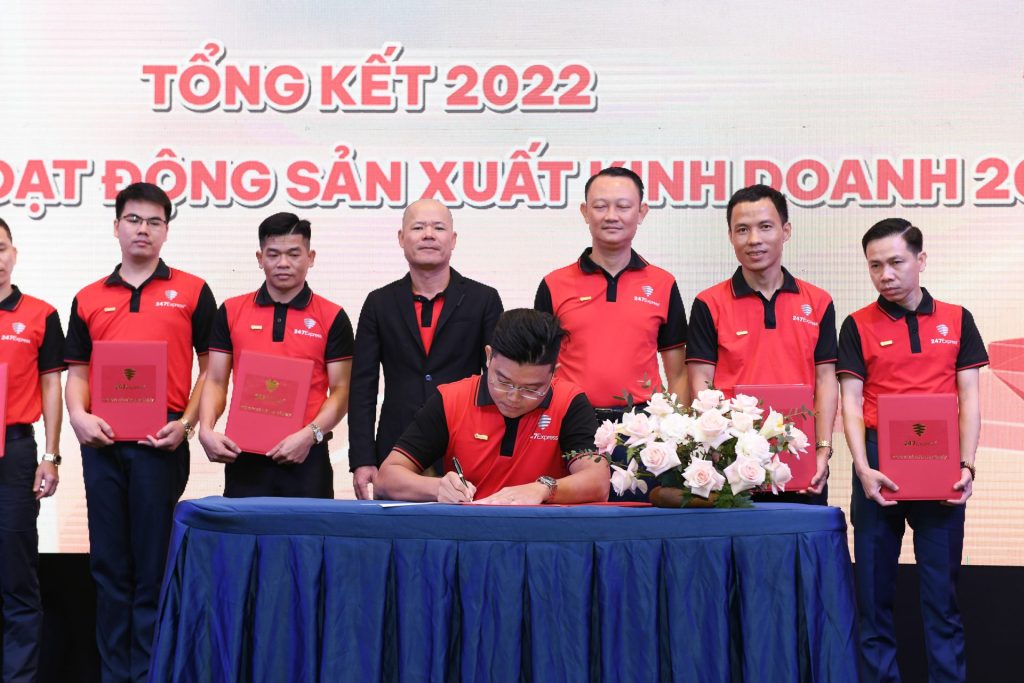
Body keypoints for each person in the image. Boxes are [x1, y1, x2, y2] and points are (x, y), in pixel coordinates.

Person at [64, 183, 216, 682]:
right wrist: (78, 417)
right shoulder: (88, 297)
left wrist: (187, 424)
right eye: (133, 220)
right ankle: (115, 674)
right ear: (116, 227)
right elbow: (77, 374)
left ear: (166, 230)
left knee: (153, 567)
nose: (143, 230)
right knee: (109, 566)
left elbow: (211, 370)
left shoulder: (192, 291)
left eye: (154, 221)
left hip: (161, 441)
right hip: (102, 442)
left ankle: (151, 673)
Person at [838, 218, 986, 682]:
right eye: (875, 265)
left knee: (942, 599)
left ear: (920, 260)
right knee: (873, 596)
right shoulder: (856, 324)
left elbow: (970, 398)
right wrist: (862, 467)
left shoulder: (957, 319)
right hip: (878, 462)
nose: (885, 274)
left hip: (940, 464)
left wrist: (966, 465)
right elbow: (850, 401)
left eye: (896, 262)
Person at [535, 166, 687, 499]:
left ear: (641, 212)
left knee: (639, 517)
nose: (611, 216)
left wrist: (678, 431)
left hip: (642, 430)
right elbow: (538, 369)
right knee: (574, 516)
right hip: (573, 424)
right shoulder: (554, 284)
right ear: (584, 212)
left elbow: (678, 373)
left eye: (623, 206)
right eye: (600, 206)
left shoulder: (663, 284)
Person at [686, 184, 837, 503]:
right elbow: (701, 382)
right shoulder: (709, 303)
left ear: (786, 231)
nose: (754, 239)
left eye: (765, 227)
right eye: (742, 229)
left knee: (802, 536)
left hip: (800, 459)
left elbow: (825, 381)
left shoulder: (818, 302)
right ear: (730, 236)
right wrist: (715, 447)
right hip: (731, 464)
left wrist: (823, 449)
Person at [349, 199, 502, 498]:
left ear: (453, 239)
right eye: (418, 227)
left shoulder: (483, 299)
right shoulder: (379, 302)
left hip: (465, 444)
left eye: (439, 228)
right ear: (401, 238)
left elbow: (496, 379)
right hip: (396, 448)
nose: (428, 235)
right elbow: (362, 386)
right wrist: (363, 459)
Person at [375, 309, 609, 504]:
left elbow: (598, 481)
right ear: (488, 357)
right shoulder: (451, 399)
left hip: (542, 533)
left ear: (553, 373)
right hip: (468, 530)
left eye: (531, 389)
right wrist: (437, 488)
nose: (513, 397)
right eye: (503, 382)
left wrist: (543, 489)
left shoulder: (569, 402)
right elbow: (387, 478)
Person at [198, 212, 353, 498]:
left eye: (294, 254)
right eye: (273, 254)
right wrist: (206, 429)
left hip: (307, 456)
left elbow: (342, 390)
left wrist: (310, 435)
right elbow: (216, 380)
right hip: (244, 455)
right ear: (260, 258)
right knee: (245, 529)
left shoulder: (332, 316)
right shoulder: (231, 311)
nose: (283, 263)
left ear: (310, 257)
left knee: (308, 529)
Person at [0, 217, 64, 683]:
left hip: (16, 453)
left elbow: (51, 387)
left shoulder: (41, 314)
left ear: (14, 254)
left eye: (0, 248)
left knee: (17, 574)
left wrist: (51, 455)